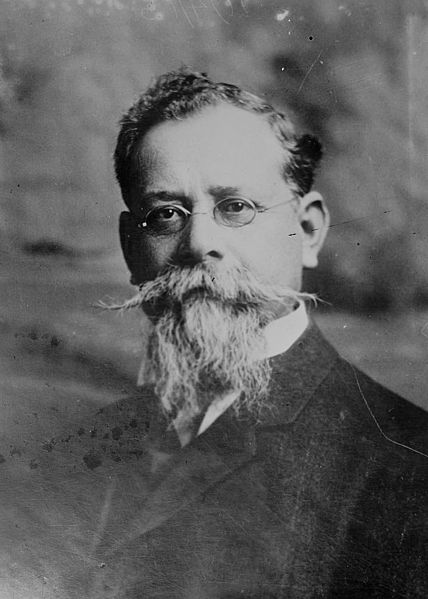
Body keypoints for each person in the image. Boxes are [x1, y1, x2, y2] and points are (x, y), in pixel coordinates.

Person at [1, 68, 427, 598]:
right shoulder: (77, 452)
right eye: (166, 214)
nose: (200, 242)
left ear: (308, 231)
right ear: (131, 247)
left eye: (236, 207)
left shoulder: (406, 467)